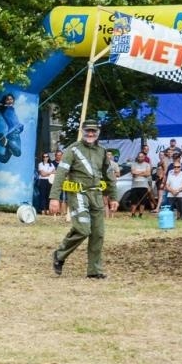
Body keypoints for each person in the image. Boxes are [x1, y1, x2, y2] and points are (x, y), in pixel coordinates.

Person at [49, 119, 118, 278]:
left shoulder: (102, 151)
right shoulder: (72, 150)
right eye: (88, 130)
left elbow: (109, 175)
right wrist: (54, 197)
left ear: (98, 132)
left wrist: (113, 197)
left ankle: (94, 271)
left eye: (93, 131)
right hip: (78, 195)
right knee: (83, 229)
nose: (91, 133)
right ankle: (59, 254)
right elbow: (61, 173)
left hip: (96, 196)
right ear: (83, 131)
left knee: (98, 234)